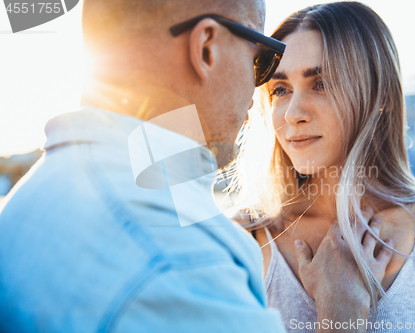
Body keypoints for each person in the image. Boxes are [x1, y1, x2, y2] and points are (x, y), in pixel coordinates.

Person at [0, 0, 391, 332]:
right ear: (207, 48)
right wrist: (342, 314)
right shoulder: (182, 263)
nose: (261, 97)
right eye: (262, 60)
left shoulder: (28, 204)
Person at [230, 2, 415, 332]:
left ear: (381, 95)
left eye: (321, 83)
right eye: (281, 90)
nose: (292, 113)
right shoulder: (239, 241)